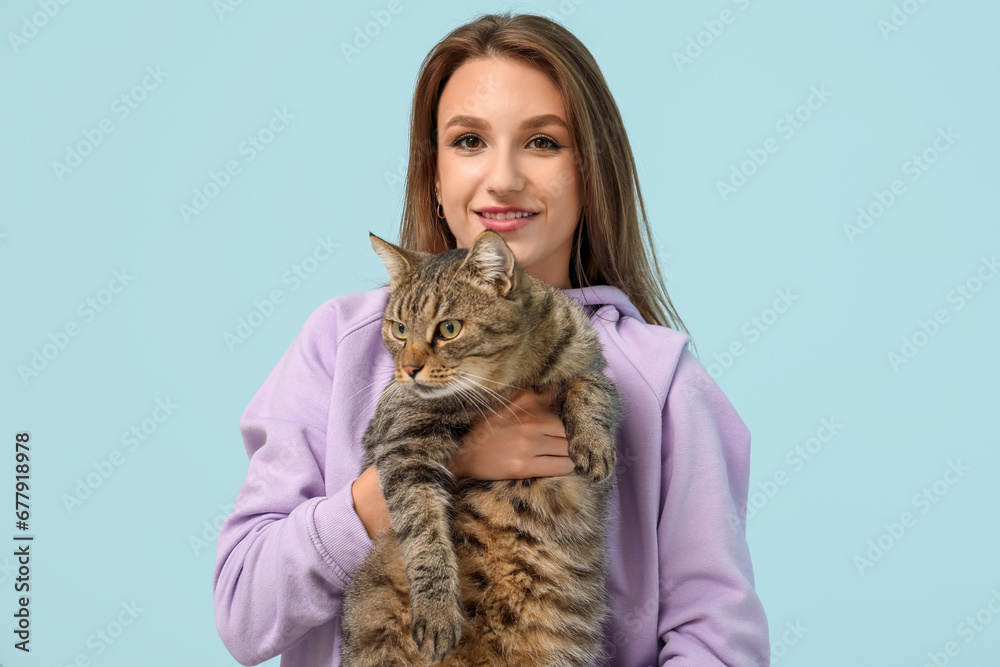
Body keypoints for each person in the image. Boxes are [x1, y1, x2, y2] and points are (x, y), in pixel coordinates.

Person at [214, 11, 770, 666]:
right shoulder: (343, 343)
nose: (503, 178)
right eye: (469, 141)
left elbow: (716, 638)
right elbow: (244, 613)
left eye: (542, 142)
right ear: (433, 175)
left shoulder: (663, 379)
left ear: (593, 173)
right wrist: (413, 474)